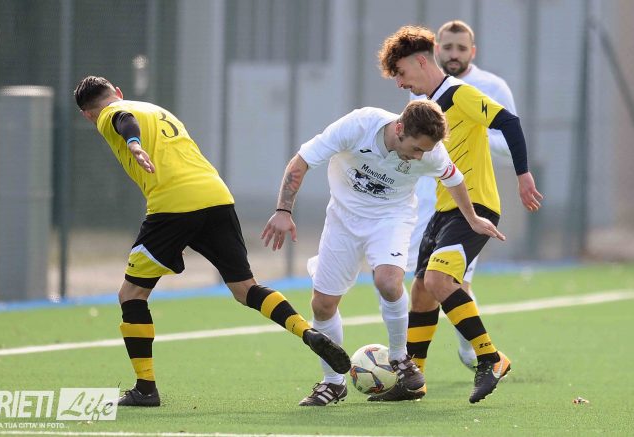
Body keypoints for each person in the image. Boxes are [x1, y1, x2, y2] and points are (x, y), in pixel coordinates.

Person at [73, 75, 351, 407]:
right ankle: (306, 331)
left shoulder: (109, 113)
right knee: (245, 288)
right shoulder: (156, 109)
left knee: (131, 294)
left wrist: (133, 144)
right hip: (216, 196)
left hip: (173, 205)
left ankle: (145, 389)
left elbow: (123, 120)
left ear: (87, 115)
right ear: (118, 90)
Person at [262, 99, 505, 407]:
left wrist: (472, 218)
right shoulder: (358, 125)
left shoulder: (430, 153)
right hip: (343, 220)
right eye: (416, 149)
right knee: (322, 305)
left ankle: (401, 358)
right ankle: (333, 382)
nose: (419, 157)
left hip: (391, 218)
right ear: (399, 128)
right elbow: (301, 162)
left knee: (389, 282)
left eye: (425, 151)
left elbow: (454, 178)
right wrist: (283, 210)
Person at [373, 25, 543, 404]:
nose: (399, 82)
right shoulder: (428, 106)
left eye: (401, 72)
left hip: (475, 206)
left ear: (421, 61)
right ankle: (414, 379)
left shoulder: (459, 93)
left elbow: (509, 122)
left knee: (438, 280)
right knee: (421, 292)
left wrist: (523, 176)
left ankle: (490, 358)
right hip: (444, 209)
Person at [409, 20, 521, 371]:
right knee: (416, 283)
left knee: (450, 279)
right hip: (429, 197)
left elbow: (509, 135)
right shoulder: (421, 88)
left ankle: (478, 354)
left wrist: (471, 129)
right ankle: (410, 365)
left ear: (472, 52)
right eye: (448, 47)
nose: (454, 54)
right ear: (436, 50)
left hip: (469, 196)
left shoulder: (488, 87)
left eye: (461, 48)